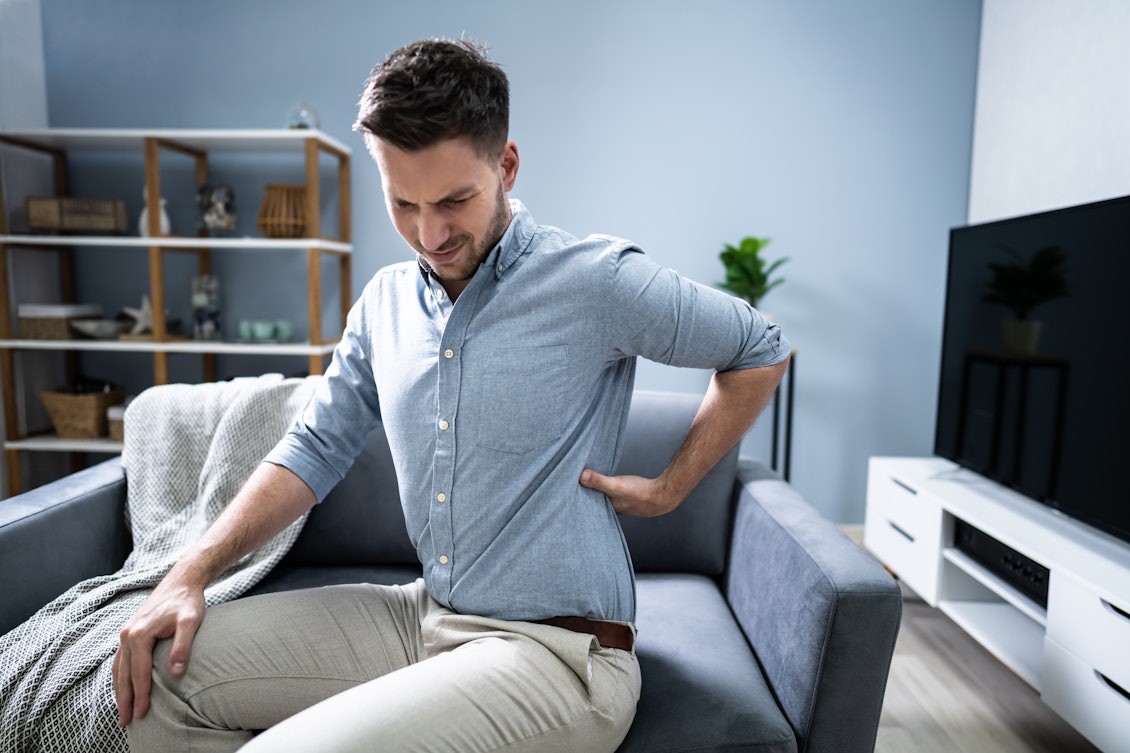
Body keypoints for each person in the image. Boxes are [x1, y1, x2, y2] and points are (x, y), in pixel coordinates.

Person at [113, 38, 791, 753]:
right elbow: (313, 448)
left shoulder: (595, 281)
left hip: (557, 655)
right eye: (402, 203)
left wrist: (672, 486)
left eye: (454, 201)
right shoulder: (384, 304)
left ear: (506, 166)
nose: (429, 233)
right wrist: (188, 573)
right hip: (423, 616)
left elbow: (760, 347)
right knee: (157, 673)